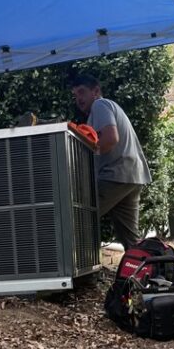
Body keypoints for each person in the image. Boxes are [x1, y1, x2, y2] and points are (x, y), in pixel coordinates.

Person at [70, 74, 151, 250]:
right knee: (130, 240)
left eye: (82, 92)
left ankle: (82, 272)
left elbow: (111, 138)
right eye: (75, 95)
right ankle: (151, 273)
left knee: (78, 217)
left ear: (96, 91)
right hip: (132, 176)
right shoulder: (102, 111)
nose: (79, 99)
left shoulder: (100, 105)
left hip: (115, 175)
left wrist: (87, 156)